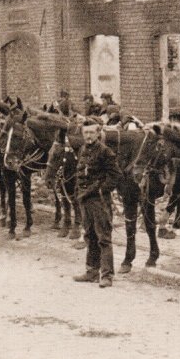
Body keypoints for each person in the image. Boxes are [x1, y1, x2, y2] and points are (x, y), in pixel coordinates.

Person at [73, 118, 121, 288]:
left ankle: (107, 275)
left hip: (99, 201)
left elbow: (115, 175)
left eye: (91, 132)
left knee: (103, 237)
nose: (88, 136)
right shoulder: (82, 150)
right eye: (85, 132)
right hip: (84, 200)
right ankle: (92, 271)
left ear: (98, 133)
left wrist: (102, 190)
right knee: (89, 235)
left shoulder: (105, 152)